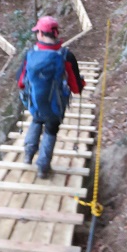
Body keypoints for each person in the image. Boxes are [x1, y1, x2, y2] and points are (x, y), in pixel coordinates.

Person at [16, 15, 85, 179]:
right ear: (56, 33)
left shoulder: (30, 53)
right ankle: (43, 167)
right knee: (51, 130)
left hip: (35, 102)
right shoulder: (66, 56)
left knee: (36, 120)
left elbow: (20, 82)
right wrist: (81, 84)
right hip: (55, 105)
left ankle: (28, 154)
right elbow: (76, 88)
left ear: (40, 33)